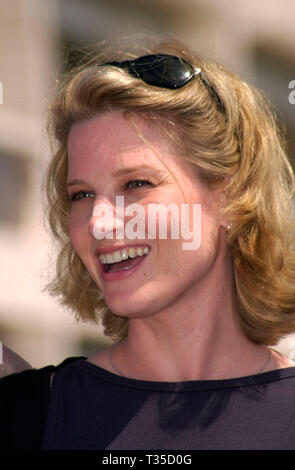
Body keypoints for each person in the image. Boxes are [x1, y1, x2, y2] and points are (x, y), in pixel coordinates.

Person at [1, 35, 295, 450]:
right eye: (81, 195)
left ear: (231, 195)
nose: (99, 222)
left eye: (136, 183)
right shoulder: (25, 414)